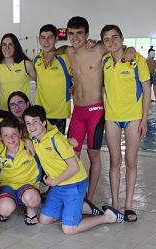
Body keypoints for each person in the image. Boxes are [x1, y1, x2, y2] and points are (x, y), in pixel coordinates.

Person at [51, 16, 135, 201]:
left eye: (79, 33)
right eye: (71, 33)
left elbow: (117, 46)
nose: (75, 37)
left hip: (95, 111)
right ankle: (75, 193)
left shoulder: (98, 49)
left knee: (93, 154)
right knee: (72, 154)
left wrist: (131, 48)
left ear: (87, 34)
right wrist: (52, 51)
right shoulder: (69, 52)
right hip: (77, 112)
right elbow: (60, 49)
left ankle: (89, 196)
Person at [23, 105, 124, 235]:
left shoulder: (57, 140)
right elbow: (21, 134)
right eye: (28, 123)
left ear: (44, 122)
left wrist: (54, 182)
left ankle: (108, 217)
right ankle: (84, 208)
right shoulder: (34, 138)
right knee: (44, 219)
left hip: (73, 184)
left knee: (69, 229)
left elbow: (74, 167)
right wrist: (26, 140)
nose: (31, 126)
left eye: (35, 122)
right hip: (59, 186)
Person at [101, 25, 150, 222]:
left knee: (130, 160)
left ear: (122, 38)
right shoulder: (104, 61)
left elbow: (147, 91)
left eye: (114, 37)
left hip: (133, 117)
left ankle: (129, 206)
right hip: (112, 117)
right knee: (114, 161)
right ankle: (115, 203)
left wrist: (144, 119)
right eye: (106, 39)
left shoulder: (137, 60)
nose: (111, 42)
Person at [0, 117, 41, 225]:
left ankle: (30, 210)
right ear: (0, 137)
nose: (10, 138)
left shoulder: (31, 147)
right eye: (6, 135)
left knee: (32, 199)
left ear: (20, 133)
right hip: (6, 186)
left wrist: (27, 140)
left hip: (28, 185)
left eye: (13, 134)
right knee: (5, 209)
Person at [34, 24, 72, 134]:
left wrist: (75, 86)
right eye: (43, 37)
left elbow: (78, 74)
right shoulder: (36, 59)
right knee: (41, 147)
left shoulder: (65, 58)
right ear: (39, 40)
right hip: (40, 113)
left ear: (56, 39)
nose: (46, 41)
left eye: (50, 37)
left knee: (56, 147)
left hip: (59, 112)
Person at [0, 33, 36, 118]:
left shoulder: (26, 64)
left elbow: (41, 83)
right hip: (3, 109)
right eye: (4, 45)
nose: (7, 48)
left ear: (16, 46)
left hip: (22, 110)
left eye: (10, 45)